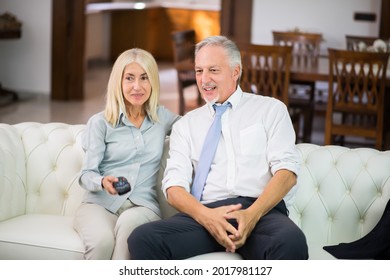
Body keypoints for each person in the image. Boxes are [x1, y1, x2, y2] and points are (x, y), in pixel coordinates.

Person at [127, 36, 308, 260]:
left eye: (213, 70)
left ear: (235, 71)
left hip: (260, 212)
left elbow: (287, 173)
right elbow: (173, 187)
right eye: (199, 71)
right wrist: (206, 217)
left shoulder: (270, 110)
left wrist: (251, 216)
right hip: (205, 214)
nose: (204, 79)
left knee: (291, 242)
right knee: (142, 238)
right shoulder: (186, 125)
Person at [74, 48, 180, 260]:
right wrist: (103, 181)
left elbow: (193, 128)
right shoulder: (100, 123)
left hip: (143, 207)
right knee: (101, 242)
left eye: (144, 78)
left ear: (153, 82)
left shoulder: (162, 117)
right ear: (118, 82)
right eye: (129, 78)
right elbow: (86, 175)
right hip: (99, 204)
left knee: (129, 233)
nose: (137, 87)